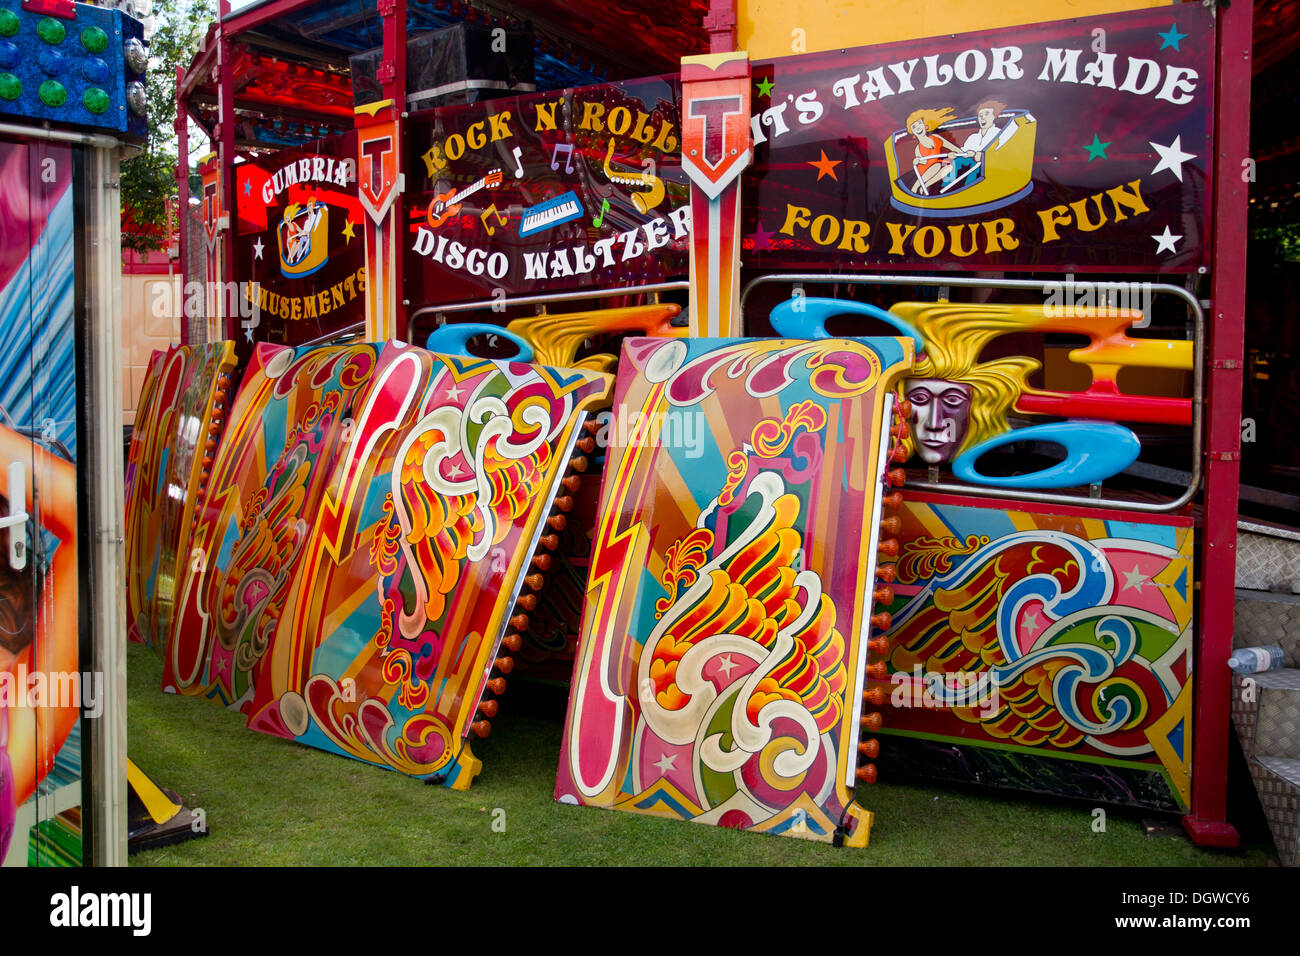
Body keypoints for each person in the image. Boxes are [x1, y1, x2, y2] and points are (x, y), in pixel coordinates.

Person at [945, 99, 1007, 188]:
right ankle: (946, 188)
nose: (982, 117)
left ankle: (969, 189)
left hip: (991, 171)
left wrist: (981, 156)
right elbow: (963, 152)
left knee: (974, 165)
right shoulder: (973, 137)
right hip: (969, 168)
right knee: (954, 162)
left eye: (986, 114)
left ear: (994, 116)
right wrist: (955, 155)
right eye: (980, 115)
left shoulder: (999, 134)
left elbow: (1003, 154)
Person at [905, 107, 963, 195]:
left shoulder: (936, 138)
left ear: (925, 125)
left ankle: (924, 186)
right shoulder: (918, 148)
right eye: (914, 127)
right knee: (936, 166)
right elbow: (923, 162)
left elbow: (953, 147)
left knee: (949, 167)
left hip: (938, 164)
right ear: (912, 132)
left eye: (919, 123)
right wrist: (917, 160)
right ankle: (915, 187)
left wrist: (960, 153)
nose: (918, 128)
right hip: (926, 169)